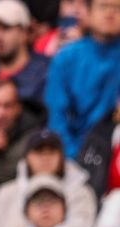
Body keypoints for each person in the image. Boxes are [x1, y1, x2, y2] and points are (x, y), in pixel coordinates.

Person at [0, 128, 98, 227]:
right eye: (39, 152)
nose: (45, 158)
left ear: (62, 156)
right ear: (27, 156)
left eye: (51, 152)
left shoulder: (81, 192)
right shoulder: (6, 191)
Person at [44, 0, 120, 158]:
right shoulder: (66, 58)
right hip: (77, 153)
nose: (110, 13)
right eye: (103, 6)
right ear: (89, 12)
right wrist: (75, 158)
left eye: (117, 7)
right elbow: (57, 117)